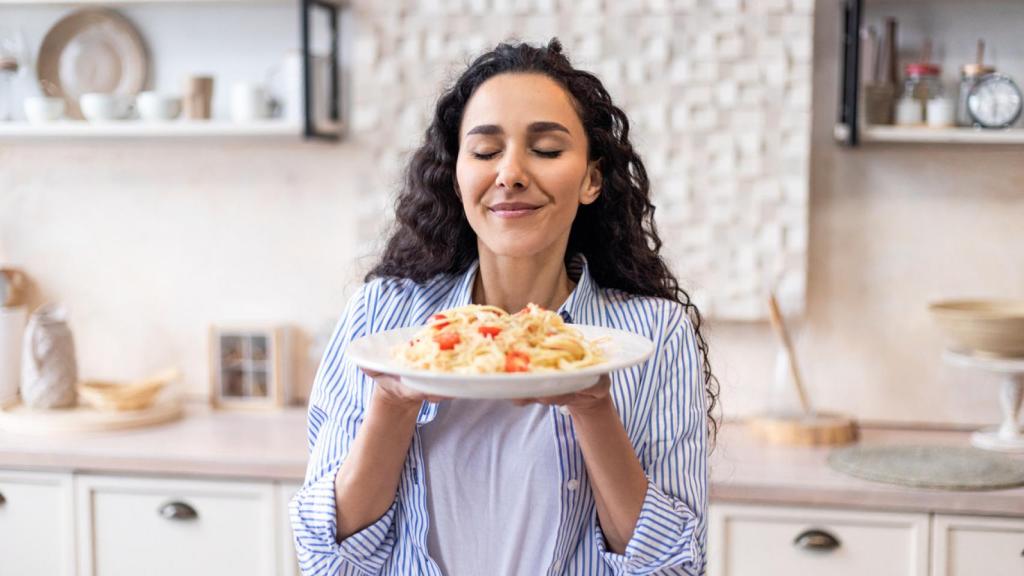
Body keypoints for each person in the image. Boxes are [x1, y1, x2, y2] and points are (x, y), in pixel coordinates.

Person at [290, 38, 719, 575]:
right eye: (486, 151)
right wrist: (392, 404)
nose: (510, 173)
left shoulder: (654, 333)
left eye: (546, 150)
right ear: (457, 176)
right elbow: (327, 560)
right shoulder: (383, 317)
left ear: (591, 179)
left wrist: (592, 406)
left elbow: (675, 567)